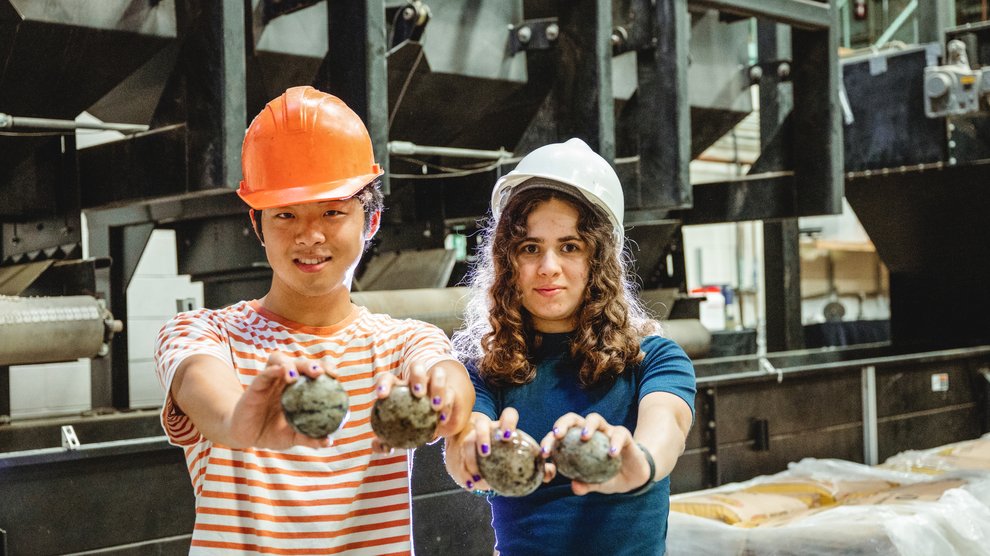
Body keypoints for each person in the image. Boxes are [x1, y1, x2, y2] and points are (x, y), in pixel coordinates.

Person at [155, 86, 474, 554]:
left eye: (332, 211)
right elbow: (208, 394)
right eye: (285, 214)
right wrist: (240, 420)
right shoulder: (204, 332)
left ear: (371, 221)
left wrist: (444, 399)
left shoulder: (402, 343)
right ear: (257, 224)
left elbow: (443, 374)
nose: (309, 235)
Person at [445, 138, 696, 555]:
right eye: (529, 248)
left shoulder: (653, 358)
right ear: (508, 262)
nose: (548, 267)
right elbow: (467, 443)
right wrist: (472, 454)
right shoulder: (483, 369)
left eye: (570, 246)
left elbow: (667, 424)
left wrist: (640, 462)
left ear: (599, 259)